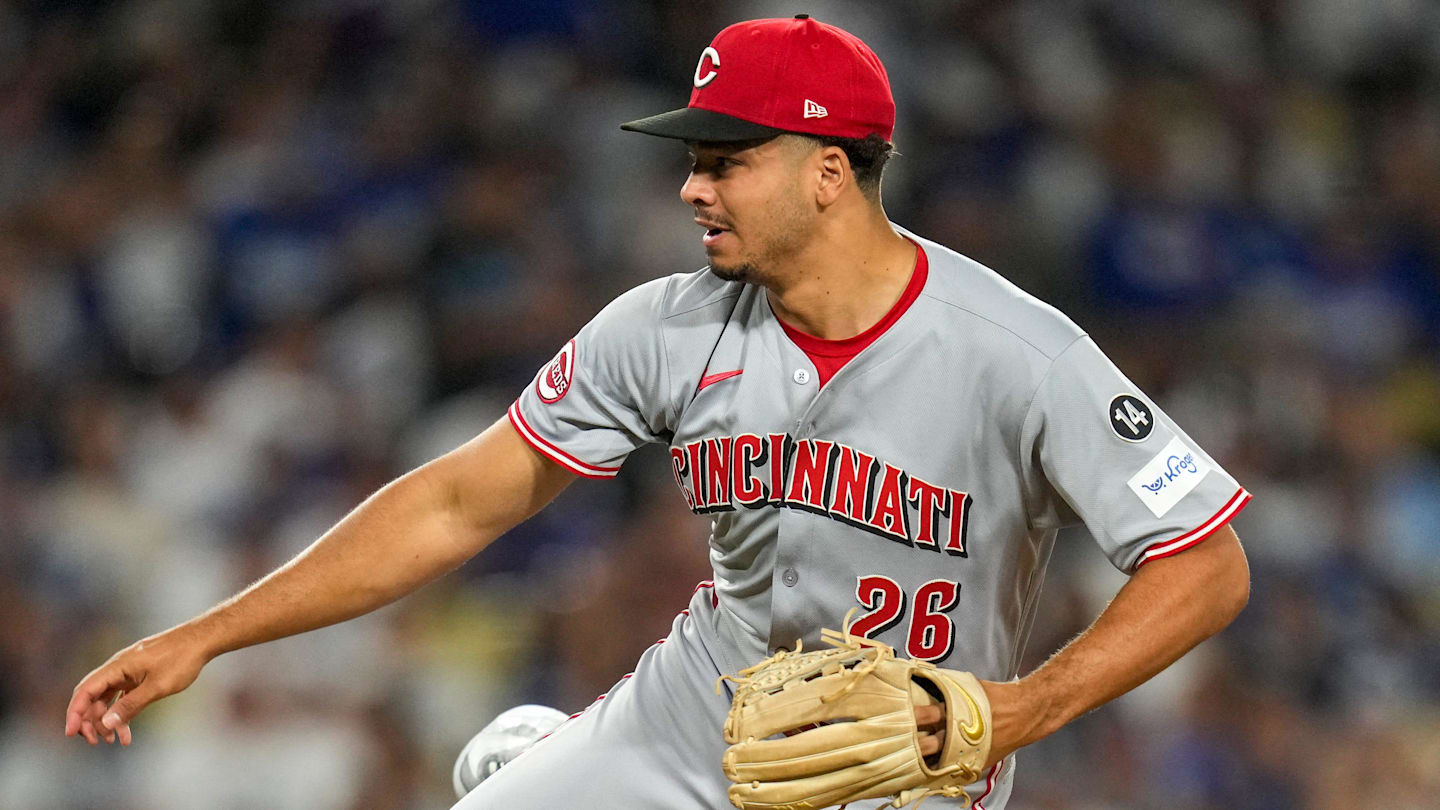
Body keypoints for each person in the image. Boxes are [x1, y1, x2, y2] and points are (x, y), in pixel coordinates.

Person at [66, 16, 1251, 809]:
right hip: (694, 715)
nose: (691, 184)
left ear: (829, 170)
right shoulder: (668, 324)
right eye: (695, 157)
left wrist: (1018, 708)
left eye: (727, 158)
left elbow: (1205, 565)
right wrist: (205, 636)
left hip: (899, 771)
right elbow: (454, 503)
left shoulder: (1018, 352)